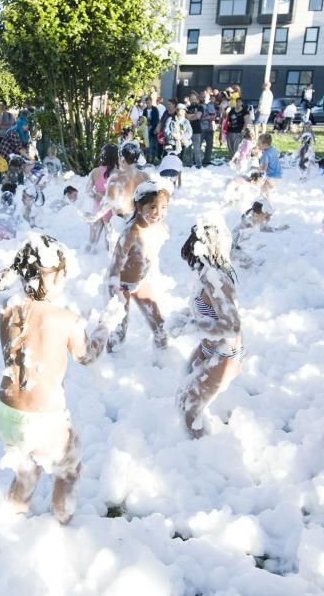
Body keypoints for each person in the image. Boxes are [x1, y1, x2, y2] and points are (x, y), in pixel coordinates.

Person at [0, 234, 120, 523]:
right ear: (51, 276)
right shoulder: (65, 318)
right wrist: (104, 325)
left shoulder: (8, 311)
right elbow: (87, 355)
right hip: (43, 419)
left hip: (6, 414)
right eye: (61, 274)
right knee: (68, 468)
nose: (64, 279)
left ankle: (12, 517)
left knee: (26, 470)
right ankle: (62, 524)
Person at [165, 216, 243, 438]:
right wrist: (185, 317)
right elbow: (209, 310)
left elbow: (232, 325)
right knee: (182, 402)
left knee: (191, 409)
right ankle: (200, 445)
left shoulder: (215, 278)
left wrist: (191, 326)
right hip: (209, 350)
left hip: (224, 354)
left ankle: (204, 453)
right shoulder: (207, 276)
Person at [106, 180, 172, 352]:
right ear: (139, 205)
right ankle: (110, 361)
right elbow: (114, 266)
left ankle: (162, 363)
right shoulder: (131, 232)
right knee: (119, 329)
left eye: (164, 207)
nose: (158, 213)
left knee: (160, 327)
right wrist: (115, 296)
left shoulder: (158, 227)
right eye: (152, 207)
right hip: (122, 286)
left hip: (141, 282)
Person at [231, 200, 288, 268]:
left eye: (269, 217)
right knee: (248, 261)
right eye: (266, 217)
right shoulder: (247, 224)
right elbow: (241, 244)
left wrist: (276, 229)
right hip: (232, 250)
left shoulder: (255, 220)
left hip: (239, 248)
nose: (268, 219)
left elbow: (263, 227)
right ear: (256, 214)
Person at [85, 145, 120, 253]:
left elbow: (88, 190)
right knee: (110, 243)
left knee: (92, 242)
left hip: (97, 207)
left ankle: (87, 259)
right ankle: (106, 263)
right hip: (111, 209)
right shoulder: (119, 173)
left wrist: (97, 196)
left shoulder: (95, 172)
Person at [185, 92, 204, 168]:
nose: (193, 100)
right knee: (187, 148)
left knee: (196, 149)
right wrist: (193, 115)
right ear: (189, 100)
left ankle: (198, 164)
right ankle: (189, 164)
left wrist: (189, 117)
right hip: (187, 131)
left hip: (196, 131)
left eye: (194, 99)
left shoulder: (200, 107)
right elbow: (185, 117)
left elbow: (198, 116)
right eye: (191, 99)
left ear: (197, 99)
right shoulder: (187, 108)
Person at [142, 96, 161, 163]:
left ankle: (153, 158)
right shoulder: (145, 110)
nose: (148, 104)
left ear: (151, 102)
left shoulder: (155, 109)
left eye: (149, 103)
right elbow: (143, 119)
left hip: (153, 128)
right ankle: (147, 157)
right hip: (147, 128)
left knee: (153, 144)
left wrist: (151, 126)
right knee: (147, 144)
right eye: (147, 103)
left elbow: (156, 119)